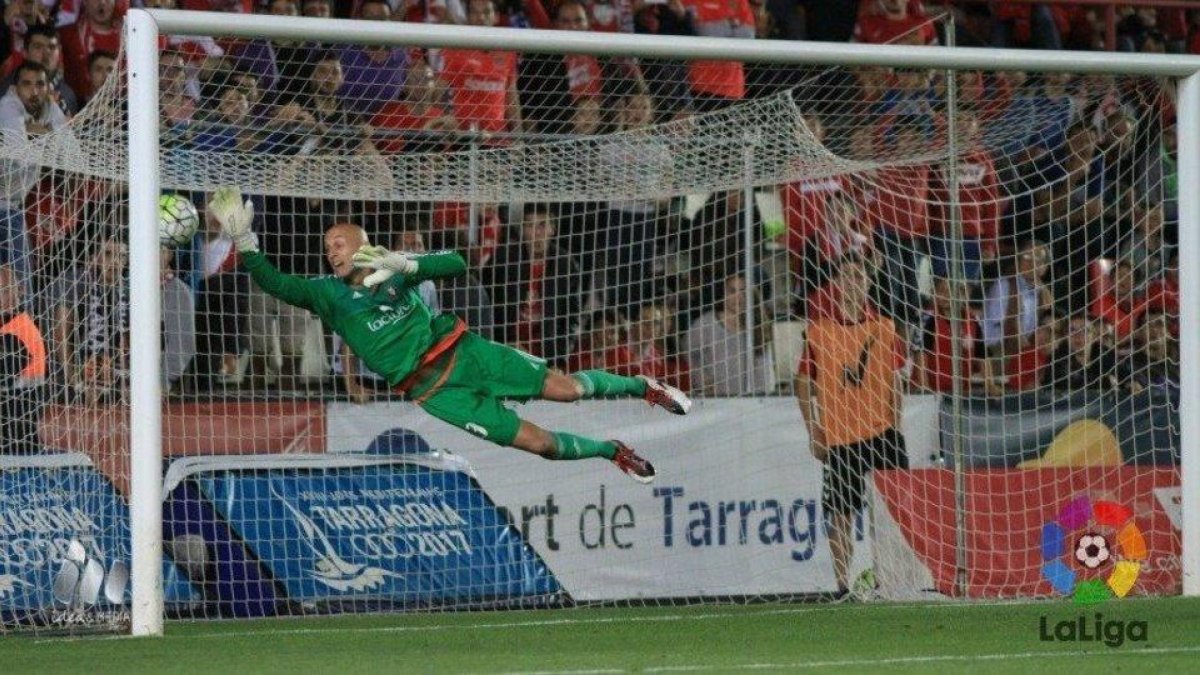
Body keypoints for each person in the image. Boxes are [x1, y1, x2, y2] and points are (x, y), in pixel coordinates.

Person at [210, 187, 690, 483]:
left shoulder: (393, 269)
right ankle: (612, 452)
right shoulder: (327, 295)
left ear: (362, 244)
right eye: (326, 247)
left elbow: (459, 263)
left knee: (564, 390)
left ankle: (644, 387)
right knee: (540, 445)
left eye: (339, 243)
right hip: (435, 392)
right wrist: (246, 241)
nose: (331, 252)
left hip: (465, 353)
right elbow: (273, 282)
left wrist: (407, 263)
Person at [795, 254, 907, 599]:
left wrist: (895, 426)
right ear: (837, 284)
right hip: (839, 435)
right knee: (840, 514)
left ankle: (888, 580)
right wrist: (814, 429)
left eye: (859, 276)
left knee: (887, 514)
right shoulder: (820, 332)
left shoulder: (885, 328)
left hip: (881, 432)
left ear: (868, 283)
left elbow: (896, 380)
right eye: (846, 276)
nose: (853, 282)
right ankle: (843, 585)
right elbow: (802, 382)